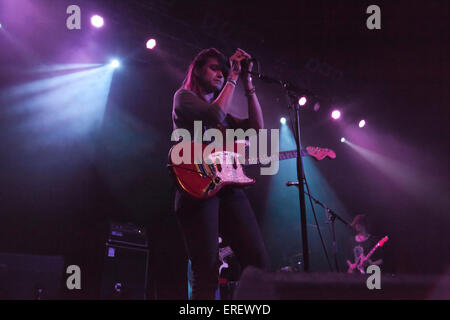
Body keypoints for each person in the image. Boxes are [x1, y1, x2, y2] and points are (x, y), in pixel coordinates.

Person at [172, 48, 270, 299]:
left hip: (227, 188)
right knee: (206, 273)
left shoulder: (222, 114)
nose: (220, 73)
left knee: (258, 263)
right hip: (197, 187)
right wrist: (233, 77)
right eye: (214, 68)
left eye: (222, 70)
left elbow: (257, 127)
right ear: (198, 69)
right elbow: (213, 114)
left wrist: (248, 84)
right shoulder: (183, 97)